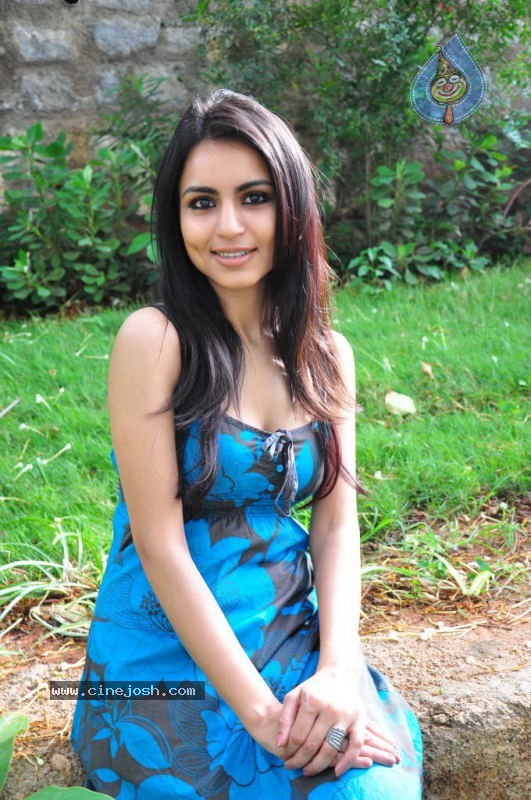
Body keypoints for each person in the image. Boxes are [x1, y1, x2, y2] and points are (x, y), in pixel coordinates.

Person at [71, 89, 423, 799]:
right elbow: (159, 546)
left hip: (288, 635)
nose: (228, 226)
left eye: (254, 198)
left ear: (291, 207)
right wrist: (263, 718)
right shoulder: (155, 340)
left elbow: (336, 525)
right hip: (166, 663)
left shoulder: (326, 353)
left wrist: (337, 671)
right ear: (175, 218)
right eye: (202, 202)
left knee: (365, 787)